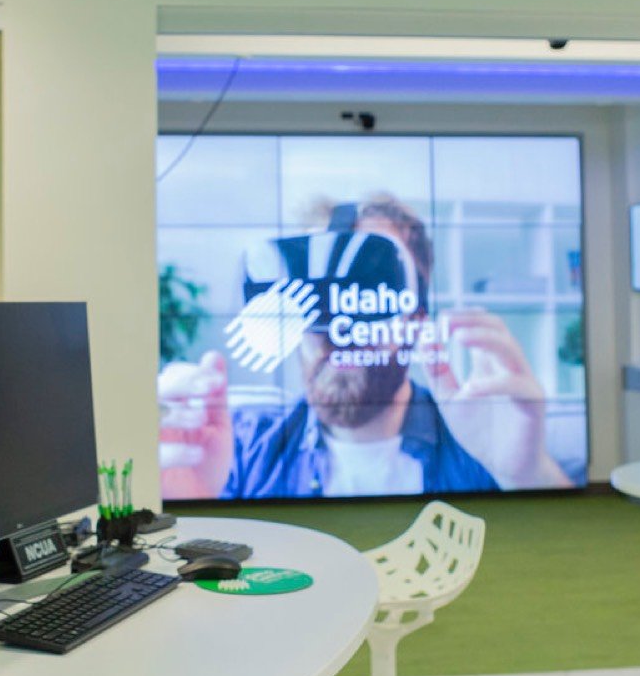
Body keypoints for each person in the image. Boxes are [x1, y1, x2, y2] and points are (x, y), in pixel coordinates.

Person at [160, 194, 573, 500]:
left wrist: (528, 475)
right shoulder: (240, 452)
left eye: (369, 287)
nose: (337, 324)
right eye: (312, 292)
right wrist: (187, 499)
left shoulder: (482, 445)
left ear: (417, 318)